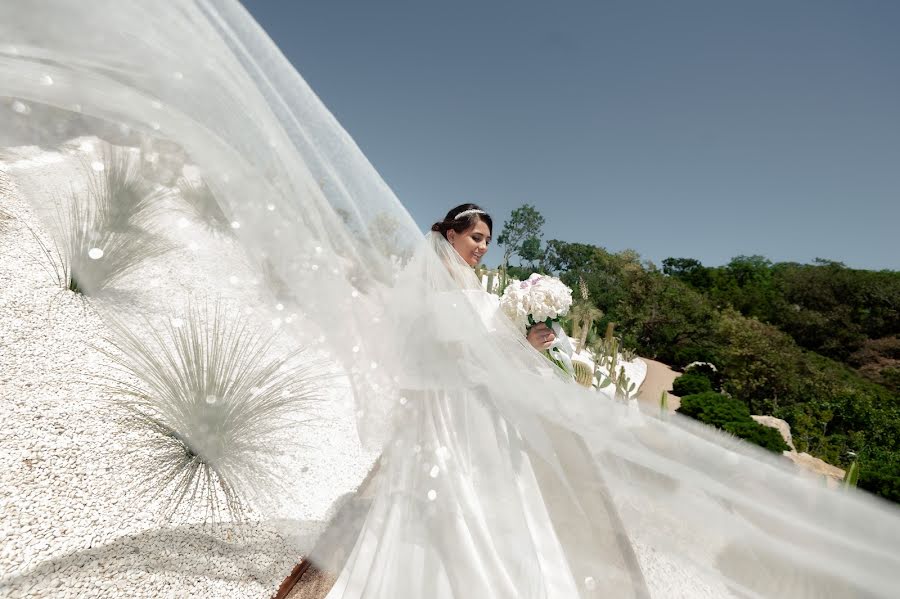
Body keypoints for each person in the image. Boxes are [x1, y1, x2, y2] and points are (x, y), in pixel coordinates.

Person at [2, 3, 899, 598]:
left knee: (434, 516)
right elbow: (431, 353)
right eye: (473, 234)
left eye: (487, 240)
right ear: (448, 232)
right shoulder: (433, 285)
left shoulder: (486, 294)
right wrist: (503, 351)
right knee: (401, 515)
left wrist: (535, 341)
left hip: (474, 424)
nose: (481, 246)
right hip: (438, 421)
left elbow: (489, 354)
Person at [430, 203, 557, 353]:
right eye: (476, 238)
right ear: (451, 235)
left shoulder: (436, 269)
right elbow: (473, 346)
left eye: (487, 241)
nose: (484, 247)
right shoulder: (456, 273)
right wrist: (526, 346)